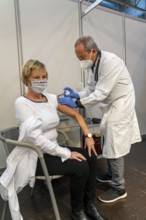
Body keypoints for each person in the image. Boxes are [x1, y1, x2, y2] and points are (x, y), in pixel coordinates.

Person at [0, 59, 107, 220]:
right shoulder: (22, 103)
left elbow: (76, 115)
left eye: (44, 76)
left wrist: (89, 136)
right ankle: (77, 212)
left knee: (91, 156)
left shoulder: (50, 98)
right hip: (35, 157)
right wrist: (66, 153)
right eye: (36, 77)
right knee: (81, 167)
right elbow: (37, 140)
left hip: (53, 150)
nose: (41, 80)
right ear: (27, 79)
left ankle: (89, 205)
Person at [58, 36, 142, 204]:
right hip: (112, 104)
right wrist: (77, 94)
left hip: (121, 102)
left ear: (93, 51)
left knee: (114, 143)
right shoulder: (93, 65)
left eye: (82, 57)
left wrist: (76, 102)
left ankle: (119, 188)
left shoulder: (110, 62)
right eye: (78, 58)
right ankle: (111, 174)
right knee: (108, 139)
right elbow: (90, 88)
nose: (81, 61)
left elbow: (101, 93)